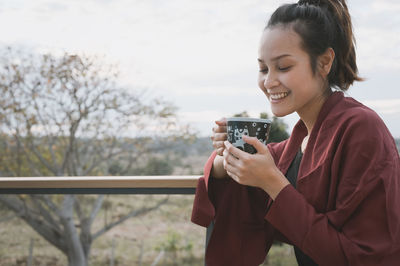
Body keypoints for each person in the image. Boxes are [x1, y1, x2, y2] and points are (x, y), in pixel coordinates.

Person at [191, 0, 400, 265]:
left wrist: (272, 182)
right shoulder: (300, 140)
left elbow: (365, 256)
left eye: (284, 67)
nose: (268, 82)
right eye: (263, 68)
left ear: (324, 62)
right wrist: (229, 152)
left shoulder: (360, 128)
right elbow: (225, 171)